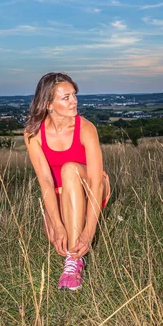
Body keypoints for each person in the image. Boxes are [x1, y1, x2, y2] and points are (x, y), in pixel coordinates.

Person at [25, 72, 110, 291]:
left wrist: (89, 233)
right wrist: (56, 223)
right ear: (47, 104)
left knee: (69, 168)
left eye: (74, 95)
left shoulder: (86, 128)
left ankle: (73, 263)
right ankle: (71, 252)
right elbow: (45, 181)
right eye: (66, 97)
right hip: (60, 193)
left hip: (91, 186)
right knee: (56, 236)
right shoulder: (33, 133)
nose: (75, 101)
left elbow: (96, 182)